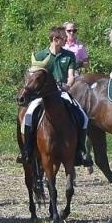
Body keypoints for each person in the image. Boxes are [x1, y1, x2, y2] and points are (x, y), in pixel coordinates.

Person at [31, 26, 91, 167]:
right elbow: (33, 78)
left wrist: (66, 85)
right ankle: (27, 149)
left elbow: (71, 77)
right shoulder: (40, 56)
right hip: (42, 94)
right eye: (64, 38)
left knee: (83, 117)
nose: (67, 40)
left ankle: (80, 150)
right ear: (55, 40)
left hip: (62, 92)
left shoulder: (69, 56)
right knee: (28, 116)